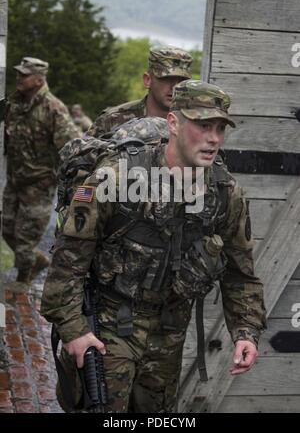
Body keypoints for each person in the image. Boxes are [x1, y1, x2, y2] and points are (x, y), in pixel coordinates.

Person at [41, 80, 266, 413]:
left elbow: (240, 275)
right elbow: (67, 263)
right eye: (203, 125)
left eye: (220, 128)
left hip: (169, 335)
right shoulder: (116, 179)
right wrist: (74, 332)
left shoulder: (225, 194)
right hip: (108, 328)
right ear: (174, 123)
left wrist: (245, 332)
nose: (214, 138)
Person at [2, 56, 79, 284]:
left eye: (24, 75)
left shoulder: (53, 109)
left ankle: (22, 282)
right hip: (15, 182)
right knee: (6, 229)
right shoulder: (15, 104)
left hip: (39, 186)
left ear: (38, 80)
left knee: (25, 242)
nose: (19, 78)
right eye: (18, 74)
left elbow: (73, 146)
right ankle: (37, 260)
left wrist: (64, 180)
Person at [88, 46, 193, 137]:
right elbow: (82, 156)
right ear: (148, 80)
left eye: (182, 81)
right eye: (166, 79)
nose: (175, 87)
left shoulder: (193, 123)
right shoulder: (113, 120)